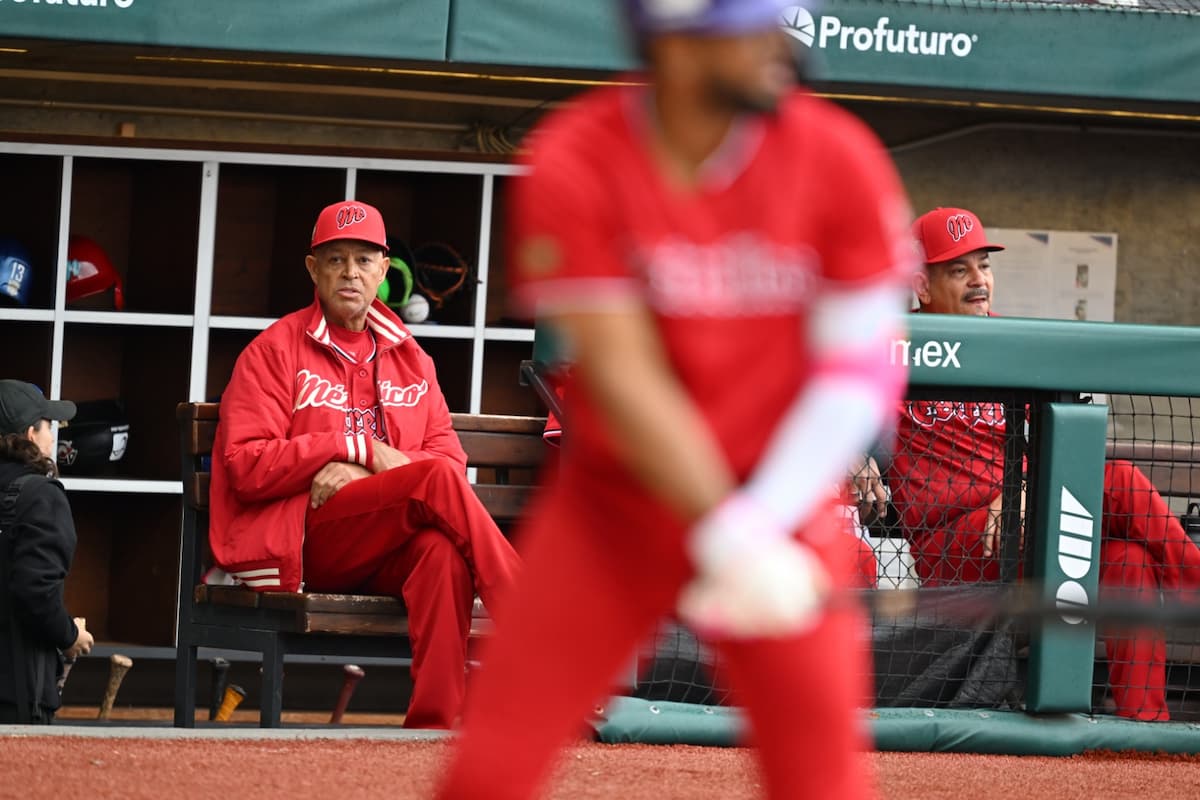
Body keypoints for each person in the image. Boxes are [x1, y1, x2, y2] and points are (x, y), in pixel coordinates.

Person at [437, 1, 914, 796]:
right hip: (615, 510)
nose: (787, 44)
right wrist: (724, 528)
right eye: (755, 23)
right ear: (676, 34)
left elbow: (860, 374)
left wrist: (757, 523)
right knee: (489, 772)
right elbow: (623, 377)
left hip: (782, 499)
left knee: (824, 781)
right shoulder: (576, 157)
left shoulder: (840, 157)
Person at [208, 201, 521, 729]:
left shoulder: (411, 358)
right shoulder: (274, 351)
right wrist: (356, 448)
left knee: (441, 552)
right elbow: (245, 463)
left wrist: (369, 471)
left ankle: (436, 723)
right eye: (335, 259)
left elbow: (448, 456)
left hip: (382, 538)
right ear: (313, 269)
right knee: (434, 480)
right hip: (303, 541)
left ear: (384, 270)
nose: (349, 272)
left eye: (362, 259)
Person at [889, 206, 1200, 721]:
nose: (978, 281)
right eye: (958, 270)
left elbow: (1057, 442)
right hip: (953, 550)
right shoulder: (891, 344)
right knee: (1118, 479)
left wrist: (1024, 490)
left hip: (1022, 528)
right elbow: (831, 404)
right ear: (922, 284)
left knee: (1129, 564)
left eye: (983, 266)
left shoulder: (1015, 345)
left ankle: (1147, 728)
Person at [0, 380, 93, 724]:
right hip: (15, 694)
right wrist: (70, 636)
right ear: (29, 434)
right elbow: (34, 592)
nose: (53, 437)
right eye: (47, 426)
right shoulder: (41, 497)